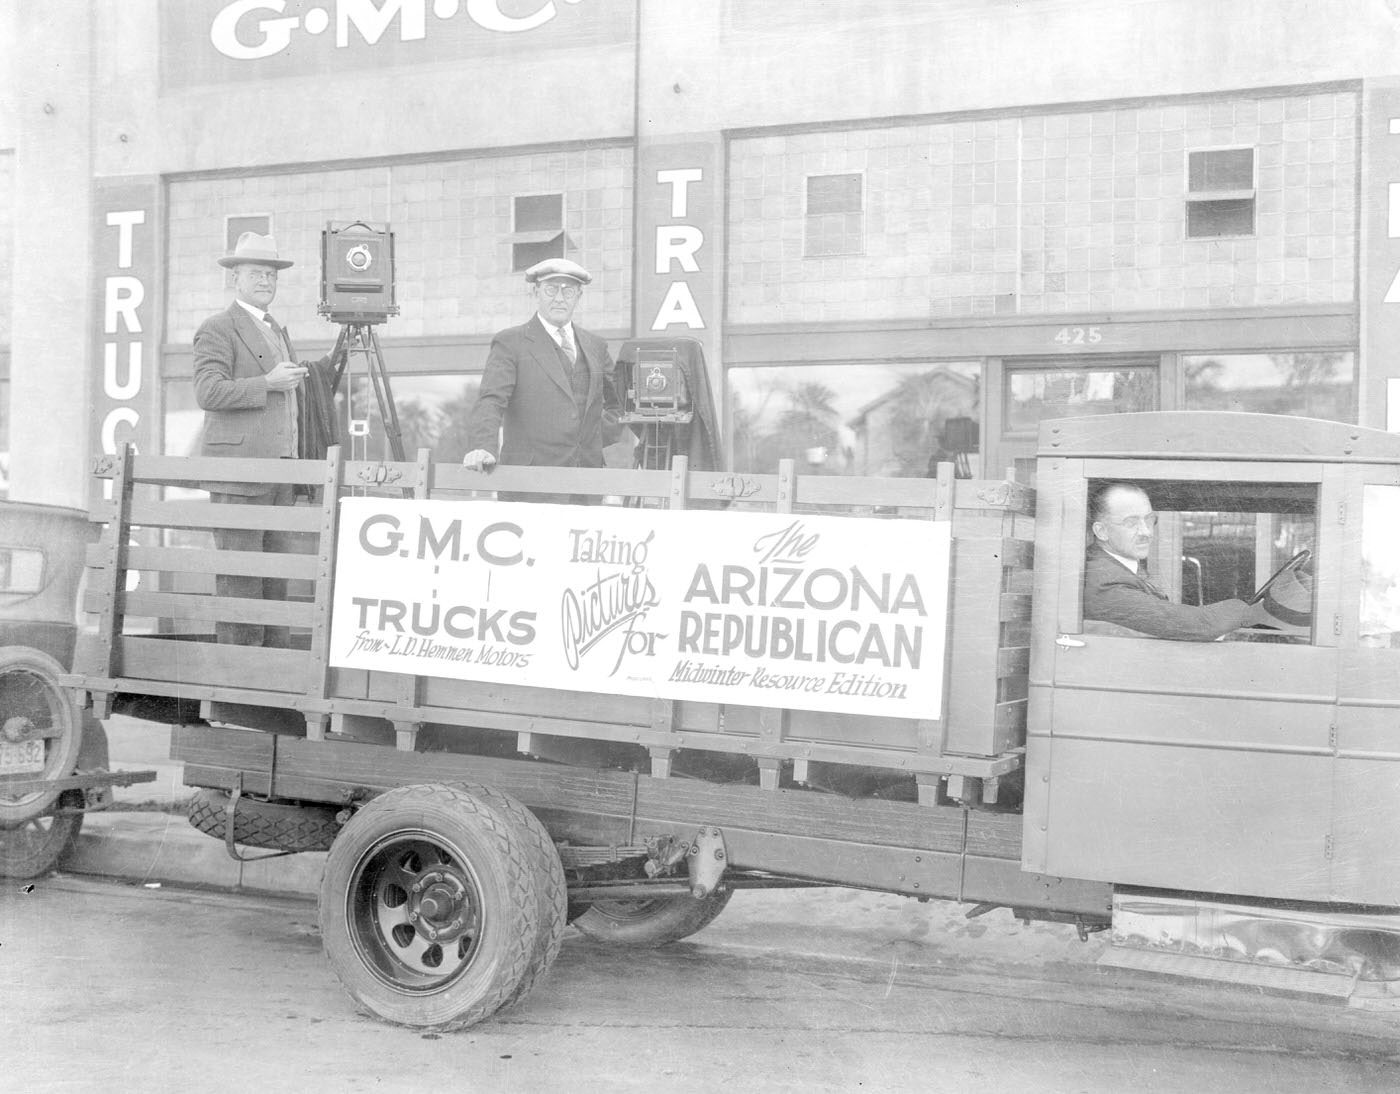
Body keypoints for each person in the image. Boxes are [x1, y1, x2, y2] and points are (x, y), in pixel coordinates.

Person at [193, 232, 342, 646]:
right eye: (256, 273)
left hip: (278, 475)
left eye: (271, 274)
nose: (265, 281)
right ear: (234, 278)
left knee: (274, 579)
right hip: (240, 478)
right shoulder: (218, 328)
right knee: (241, 579)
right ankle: (240, 687)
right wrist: (268, 383)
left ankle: (271, 683)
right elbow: (208, 392)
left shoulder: (274, 329)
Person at [461, 258, 629, 501]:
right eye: (551, 289)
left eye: (568, 290)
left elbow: (620, 404)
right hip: (529, 485)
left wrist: (593, 438)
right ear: (535, 291)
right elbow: (491, 400)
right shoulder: (511, 342)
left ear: (578, 296)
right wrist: (484, 447)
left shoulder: (596, 346)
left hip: (586, 484)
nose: (559, 298)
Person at [1083, 481, 1291, 640]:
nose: (1146, 532)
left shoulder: (1119, 567)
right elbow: (1195, 624)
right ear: (1101, 531)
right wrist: (1246, 610)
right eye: (1131, 523)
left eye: (1149, 520)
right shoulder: (1103, 578)